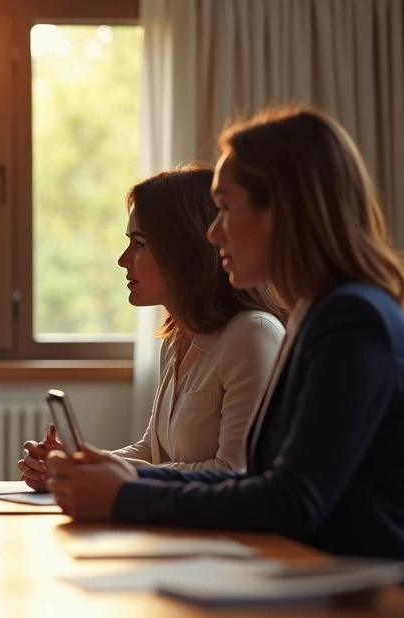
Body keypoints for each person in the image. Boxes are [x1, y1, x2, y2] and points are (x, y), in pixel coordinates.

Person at [45, 106, 404, 561]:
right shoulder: (317, 316)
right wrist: (118, 477)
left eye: (225, 209)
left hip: (373, 607)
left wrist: (125, 495)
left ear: (282, 212)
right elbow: (255, 482)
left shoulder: (353, 320)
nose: (213, 233)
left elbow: (292, 501)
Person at [19, 165, 286, 490]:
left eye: (139, 244)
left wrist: (106, 475)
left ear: (185, 248)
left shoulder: (252, 335)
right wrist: (79, 466)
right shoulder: (176, 340)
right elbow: (152, 451)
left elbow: (235, 471)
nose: (123, 259)